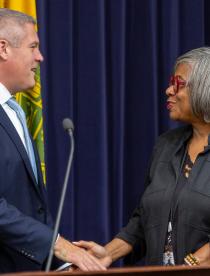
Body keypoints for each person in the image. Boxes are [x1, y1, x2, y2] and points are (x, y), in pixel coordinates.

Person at [75, 47, 210, 267]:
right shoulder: (165, 145)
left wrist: (195, 262)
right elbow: (143, 220)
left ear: (205, 88)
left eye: (178, 83)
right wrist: (106, 253)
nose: (168, 90)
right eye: (170, 82)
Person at [0, 8, 106, 273]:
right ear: (3, 49)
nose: (40, 57)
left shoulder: (14, 111)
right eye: (33, 46)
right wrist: (57, 245)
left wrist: (61, 262)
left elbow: (29, 206)